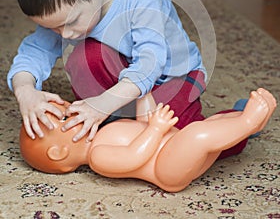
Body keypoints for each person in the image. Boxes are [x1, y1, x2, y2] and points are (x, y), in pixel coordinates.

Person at [7, 0, 246, 159]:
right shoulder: (68, 10)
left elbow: (149, 64)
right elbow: (33, 53)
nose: (65, 34)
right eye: (54, 28)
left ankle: (241, 120)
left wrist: (103, 104)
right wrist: (25, 91)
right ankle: (115, 118)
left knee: (181, 144)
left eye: (72, 22)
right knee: (85, 57)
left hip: (171, 77)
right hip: (123, 80)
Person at [19, 88, 277, 193]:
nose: (73, 109)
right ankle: (247, 122)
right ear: (59, 152)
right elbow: (135, 156)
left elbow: (138, 129)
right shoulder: (98, 157)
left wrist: (145, 104)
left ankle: (243, 123)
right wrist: (154, 129)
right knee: (198, 135)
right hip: (167, 170)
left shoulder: (105, 131)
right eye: (66, 117)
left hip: (172, 146)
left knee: (206, 127)